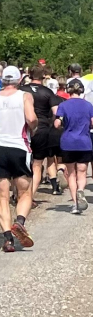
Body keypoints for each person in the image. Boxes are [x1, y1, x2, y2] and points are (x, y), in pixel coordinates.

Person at [0, 66, 38, 253]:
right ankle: (19, 221)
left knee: (2, 196)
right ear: (20, 80)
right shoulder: (24, 96)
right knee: (25, 192)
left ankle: (7, 239)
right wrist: (33, 128)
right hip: (20, 146)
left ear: (2, 80)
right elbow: (31, 118)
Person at [22, 65, 65, 198]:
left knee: (21, 163)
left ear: (29, 74)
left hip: (22, 129)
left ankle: (18, 193)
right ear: (44, 76)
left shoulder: (21, 90)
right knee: (37, 164)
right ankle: (29, 196)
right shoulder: (47, 92)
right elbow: (56, 113)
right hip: (42, 128)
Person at [54, 79, 93, 215]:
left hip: (68, 142)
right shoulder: (88, 105)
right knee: (82, 172)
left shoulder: (63, 105)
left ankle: (76, 204)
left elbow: (57, 124)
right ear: (81, 90)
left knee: (71, 174)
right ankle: (81, 190)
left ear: (68, 90)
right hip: (84, 142)